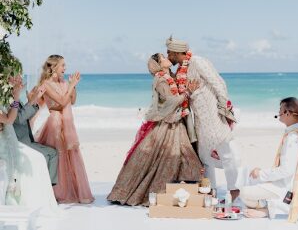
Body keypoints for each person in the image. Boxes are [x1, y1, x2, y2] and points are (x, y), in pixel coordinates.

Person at [107, 53, 203, 206]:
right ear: (158, 64)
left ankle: (185, 190)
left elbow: (178, 91)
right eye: (163, 58)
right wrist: (188, 93)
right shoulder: (160, 80)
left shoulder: (170, 75)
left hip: (176, 121)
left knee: (184, 154)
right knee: (166, 156)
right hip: (166, 123)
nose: (167, 58)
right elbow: (170, 102)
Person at [165, 36, 241, 201]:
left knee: (226, 152)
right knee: (204, 158)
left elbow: (218, 83)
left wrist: (223, 107)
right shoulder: (179, 71)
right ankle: (210, 192)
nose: (168, 56)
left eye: (169, 53)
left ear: (176, 52)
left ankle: (234, 190)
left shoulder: (198, 62)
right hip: (199, 120)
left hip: (213, 116)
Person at [240, 97, 298, 223]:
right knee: (251, 179)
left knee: (244, 192)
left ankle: (268, 209)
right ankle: (267, 203)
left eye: (280, 110)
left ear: (288, 113)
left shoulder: (293, 137)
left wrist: (261, 173)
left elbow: (287, 170)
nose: (278, 113)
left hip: (287, 187)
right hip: (297, 184)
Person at [35, 55, 94, 204]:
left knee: (70, 156)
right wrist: (72, 85)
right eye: (62, 65)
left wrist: (73, 86)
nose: (65, 68)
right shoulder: (46, 84)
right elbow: (61, 102)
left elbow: (72, 101)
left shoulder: (62, 82)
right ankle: (60, 192)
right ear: (54, 67)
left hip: (67, 123)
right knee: (59, 157)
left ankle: (72, 190)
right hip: (55, 123)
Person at [0, 74, 58, 216]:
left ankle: (47, 192)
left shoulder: (9, 98)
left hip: (13, 140)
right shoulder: (6, 99)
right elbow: (16, 119)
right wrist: (24, 99)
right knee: (39, 158)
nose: (17, 79)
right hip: (12, 142)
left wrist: (28, 99)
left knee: (47, 155)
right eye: (14, 77)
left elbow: (12, 118)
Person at [13, 86, 58, 185]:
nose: (20, 79)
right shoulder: (10, 100)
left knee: (53, 153)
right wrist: (32, 100)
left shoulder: (16, 99)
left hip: (27, 139)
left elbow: (22, 115)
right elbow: (19, 118)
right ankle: (43, 185)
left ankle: (49, 186)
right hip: (20, 141)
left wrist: (33, 101)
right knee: (44, 156)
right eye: (16, 78)